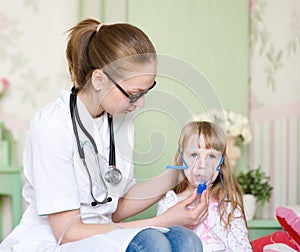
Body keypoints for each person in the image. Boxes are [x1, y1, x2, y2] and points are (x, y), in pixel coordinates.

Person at [0, 19, 208, 252]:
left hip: (102, 234)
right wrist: (161, 221)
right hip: (55, 241)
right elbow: (68, 232)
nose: (141, 104)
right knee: (153, 241)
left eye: (146, 91)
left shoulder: (120, 120)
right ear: (99, 80)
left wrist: (180, 171)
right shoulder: (52, 126)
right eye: (133, 94)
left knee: (186, 240)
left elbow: (112, 208)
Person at [157, 121, 253, 251]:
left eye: (212, 156)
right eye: (194, 155)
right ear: (181, 159)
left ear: (221, 163)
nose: (202, 164)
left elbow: (243, 248)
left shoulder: (228, 205)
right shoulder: (169, 204)